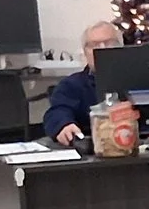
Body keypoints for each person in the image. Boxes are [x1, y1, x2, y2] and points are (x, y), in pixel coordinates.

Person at [41, 19, 121, 147]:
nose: (102, 49)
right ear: (85, 52)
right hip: (92, 148)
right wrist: (64, 125)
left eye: (109, 43)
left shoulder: (138, 79)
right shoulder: (71, 85)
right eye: (94, 45)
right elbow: (58, 111)